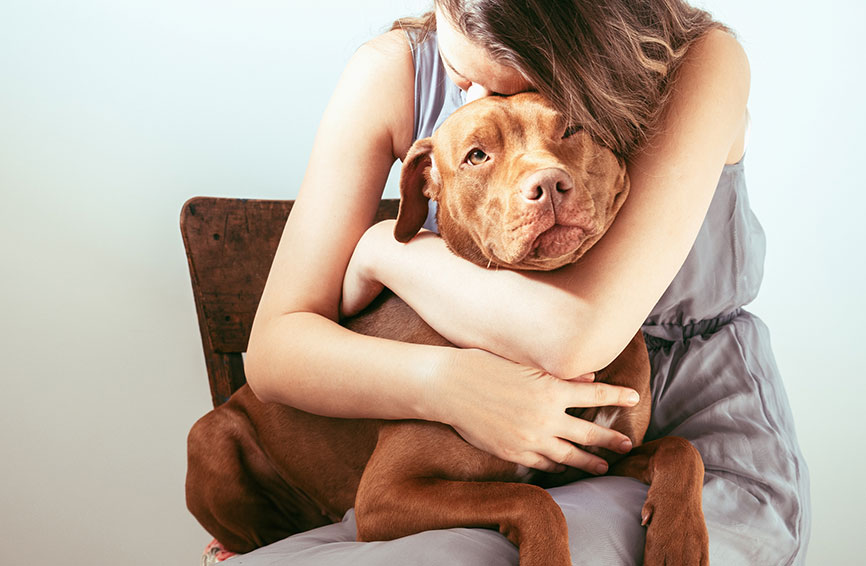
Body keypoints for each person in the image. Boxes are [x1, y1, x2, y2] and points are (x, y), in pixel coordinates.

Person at [240, 1, 811, 564]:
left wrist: (385, 254)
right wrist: (447, 384)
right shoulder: (394, 72)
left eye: (525, 86)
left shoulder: (698, 61)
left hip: (703, 436)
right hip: (475, 426)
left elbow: (574, 340)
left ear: (576, 42)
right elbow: (273, 351)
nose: (467, 94)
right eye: (461, 77)